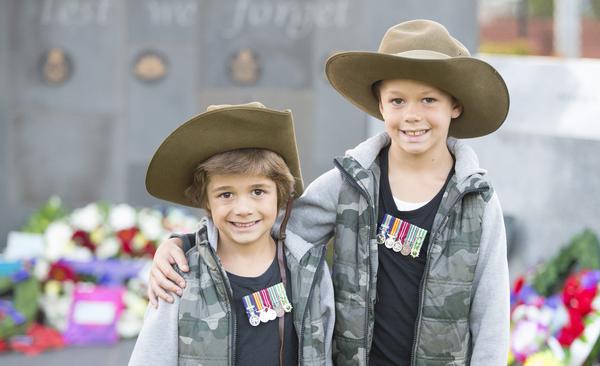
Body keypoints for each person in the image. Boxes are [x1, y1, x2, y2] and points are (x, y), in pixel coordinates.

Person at [149, 20, 510, 365]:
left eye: (428, 100)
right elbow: (271, 226)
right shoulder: (350, 183)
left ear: (455, 105)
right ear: (380, 105)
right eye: (398, 101)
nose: (412, 115)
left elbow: (490, 313)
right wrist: (185, 245)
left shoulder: (476, 202)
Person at [129, 102, 334, 366]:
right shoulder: (179, 275)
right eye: (226, 194)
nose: (243, 209)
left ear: (280, 194)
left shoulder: (309, 272)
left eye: (258, 191)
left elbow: (325, 351)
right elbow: (151, 357)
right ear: (206, 201)